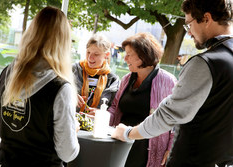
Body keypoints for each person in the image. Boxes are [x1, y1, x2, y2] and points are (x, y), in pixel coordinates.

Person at [111, 0, 233, 166]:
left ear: (206, 18)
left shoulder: (205, 63)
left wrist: (128, 133)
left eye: (188, 24)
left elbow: (169, 114)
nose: (189, 32)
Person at [0, 6, 79, 167]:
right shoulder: (60, 88)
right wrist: (72, 129)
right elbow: (68, 152)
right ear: (63, 42)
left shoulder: (7, 74)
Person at [108, 32, 177, 167]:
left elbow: (175, 119)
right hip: (121, 143)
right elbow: (115, 107)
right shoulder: (127, 79)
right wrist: (100, 116)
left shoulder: (168, 81)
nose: (125, 58)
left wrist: (171, 148)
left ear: (143, 56)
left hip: (147, 149)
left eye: (129, 55)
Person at [73, 34, 120, 114]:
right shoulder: (74, 70)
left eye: (96, 54)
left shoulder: (112, 80)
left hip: (94, 123)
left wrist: (100, 113)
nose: (90, 57)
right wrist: (70, 94)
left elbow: (114, 109)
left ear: (106, 55)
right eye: (88, 52)